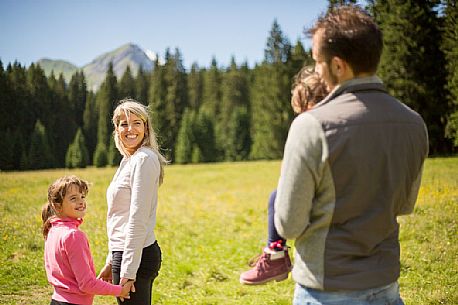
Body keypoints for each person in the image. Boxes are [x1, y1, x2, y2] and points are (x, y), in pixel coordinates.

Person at [274, 5, 429, 305]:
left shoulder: (311, 126)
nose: (316, 70)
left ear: (339, 66)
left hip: (324, 290)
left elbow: (288, 224)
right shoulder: (414, 124)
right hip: (387, 288)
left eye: (318, 61)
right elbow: (405, 205)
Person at [240, 67, 329, 285]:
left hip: (322, 265)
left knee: (277, 198)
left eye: (303, 110)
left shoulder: (313, 128)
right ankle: (274, 253)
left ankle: (275, 255)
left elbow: (289, 222)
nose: (301, 117)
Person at [97, 98, 167, 305]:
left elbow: (137, 219)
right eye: (124, 123)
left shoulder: (143, 159)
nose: (130, 129)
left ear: (146, 128)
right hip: (126, 254)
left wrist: (127, 270)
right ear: (116, 129)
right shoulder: (129, 159)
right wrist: (112, 260)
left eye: (137, 122)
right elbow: (121, 217)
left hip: (136, 257)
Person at [42, 175, 131, 305]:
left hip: (56, 300)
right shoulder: (73, 236)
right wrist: (120, 290)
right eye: (73, 198)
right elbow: (87, 284)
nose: (81, 202)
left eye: (82, 196)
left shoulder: (52, 230)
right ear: (58, 206)